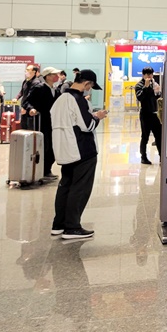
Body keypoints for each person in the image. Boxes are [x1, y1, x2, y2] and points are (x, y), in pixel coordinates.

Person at [50, 70, 107, 240]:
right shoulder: (78, 99)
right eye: (90, 86)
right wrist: (98, 117)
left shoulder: (60, 99)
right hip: (83, 150)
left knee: (65, 186)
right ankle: (72, 227)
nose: (89, 90)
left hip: (65, 149)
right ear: (86, 83)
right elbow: (87, 125)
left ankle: (59, 224)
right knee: (80, 188)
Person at [22, 67, 61, 181]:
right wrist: (31, 109)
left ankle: (47, 169)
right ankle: (41, 170)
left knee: (52, 146)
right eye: (54, 74)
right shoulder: (39, 88)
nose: (57, 76)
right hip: (41, 122)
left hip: (53, 122)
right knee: (44, 145)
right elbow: (26, 101)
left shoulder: (56, 90)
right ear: (47, 76)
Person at [135, 67, 162, 165]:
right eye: (147, 74)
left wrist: (158, 92)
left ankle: (161, 157)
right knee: (145, 137)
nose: (150, 76)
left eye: (151, 74)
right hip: (145, 114)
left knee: (159, 136)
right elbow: (140, 97)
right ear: (143, 75)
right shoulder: (139, 85)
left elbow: (157, 98)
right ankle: (143, 157)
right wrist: (145, 87)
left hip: (155, 114)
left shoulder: (154, 84)